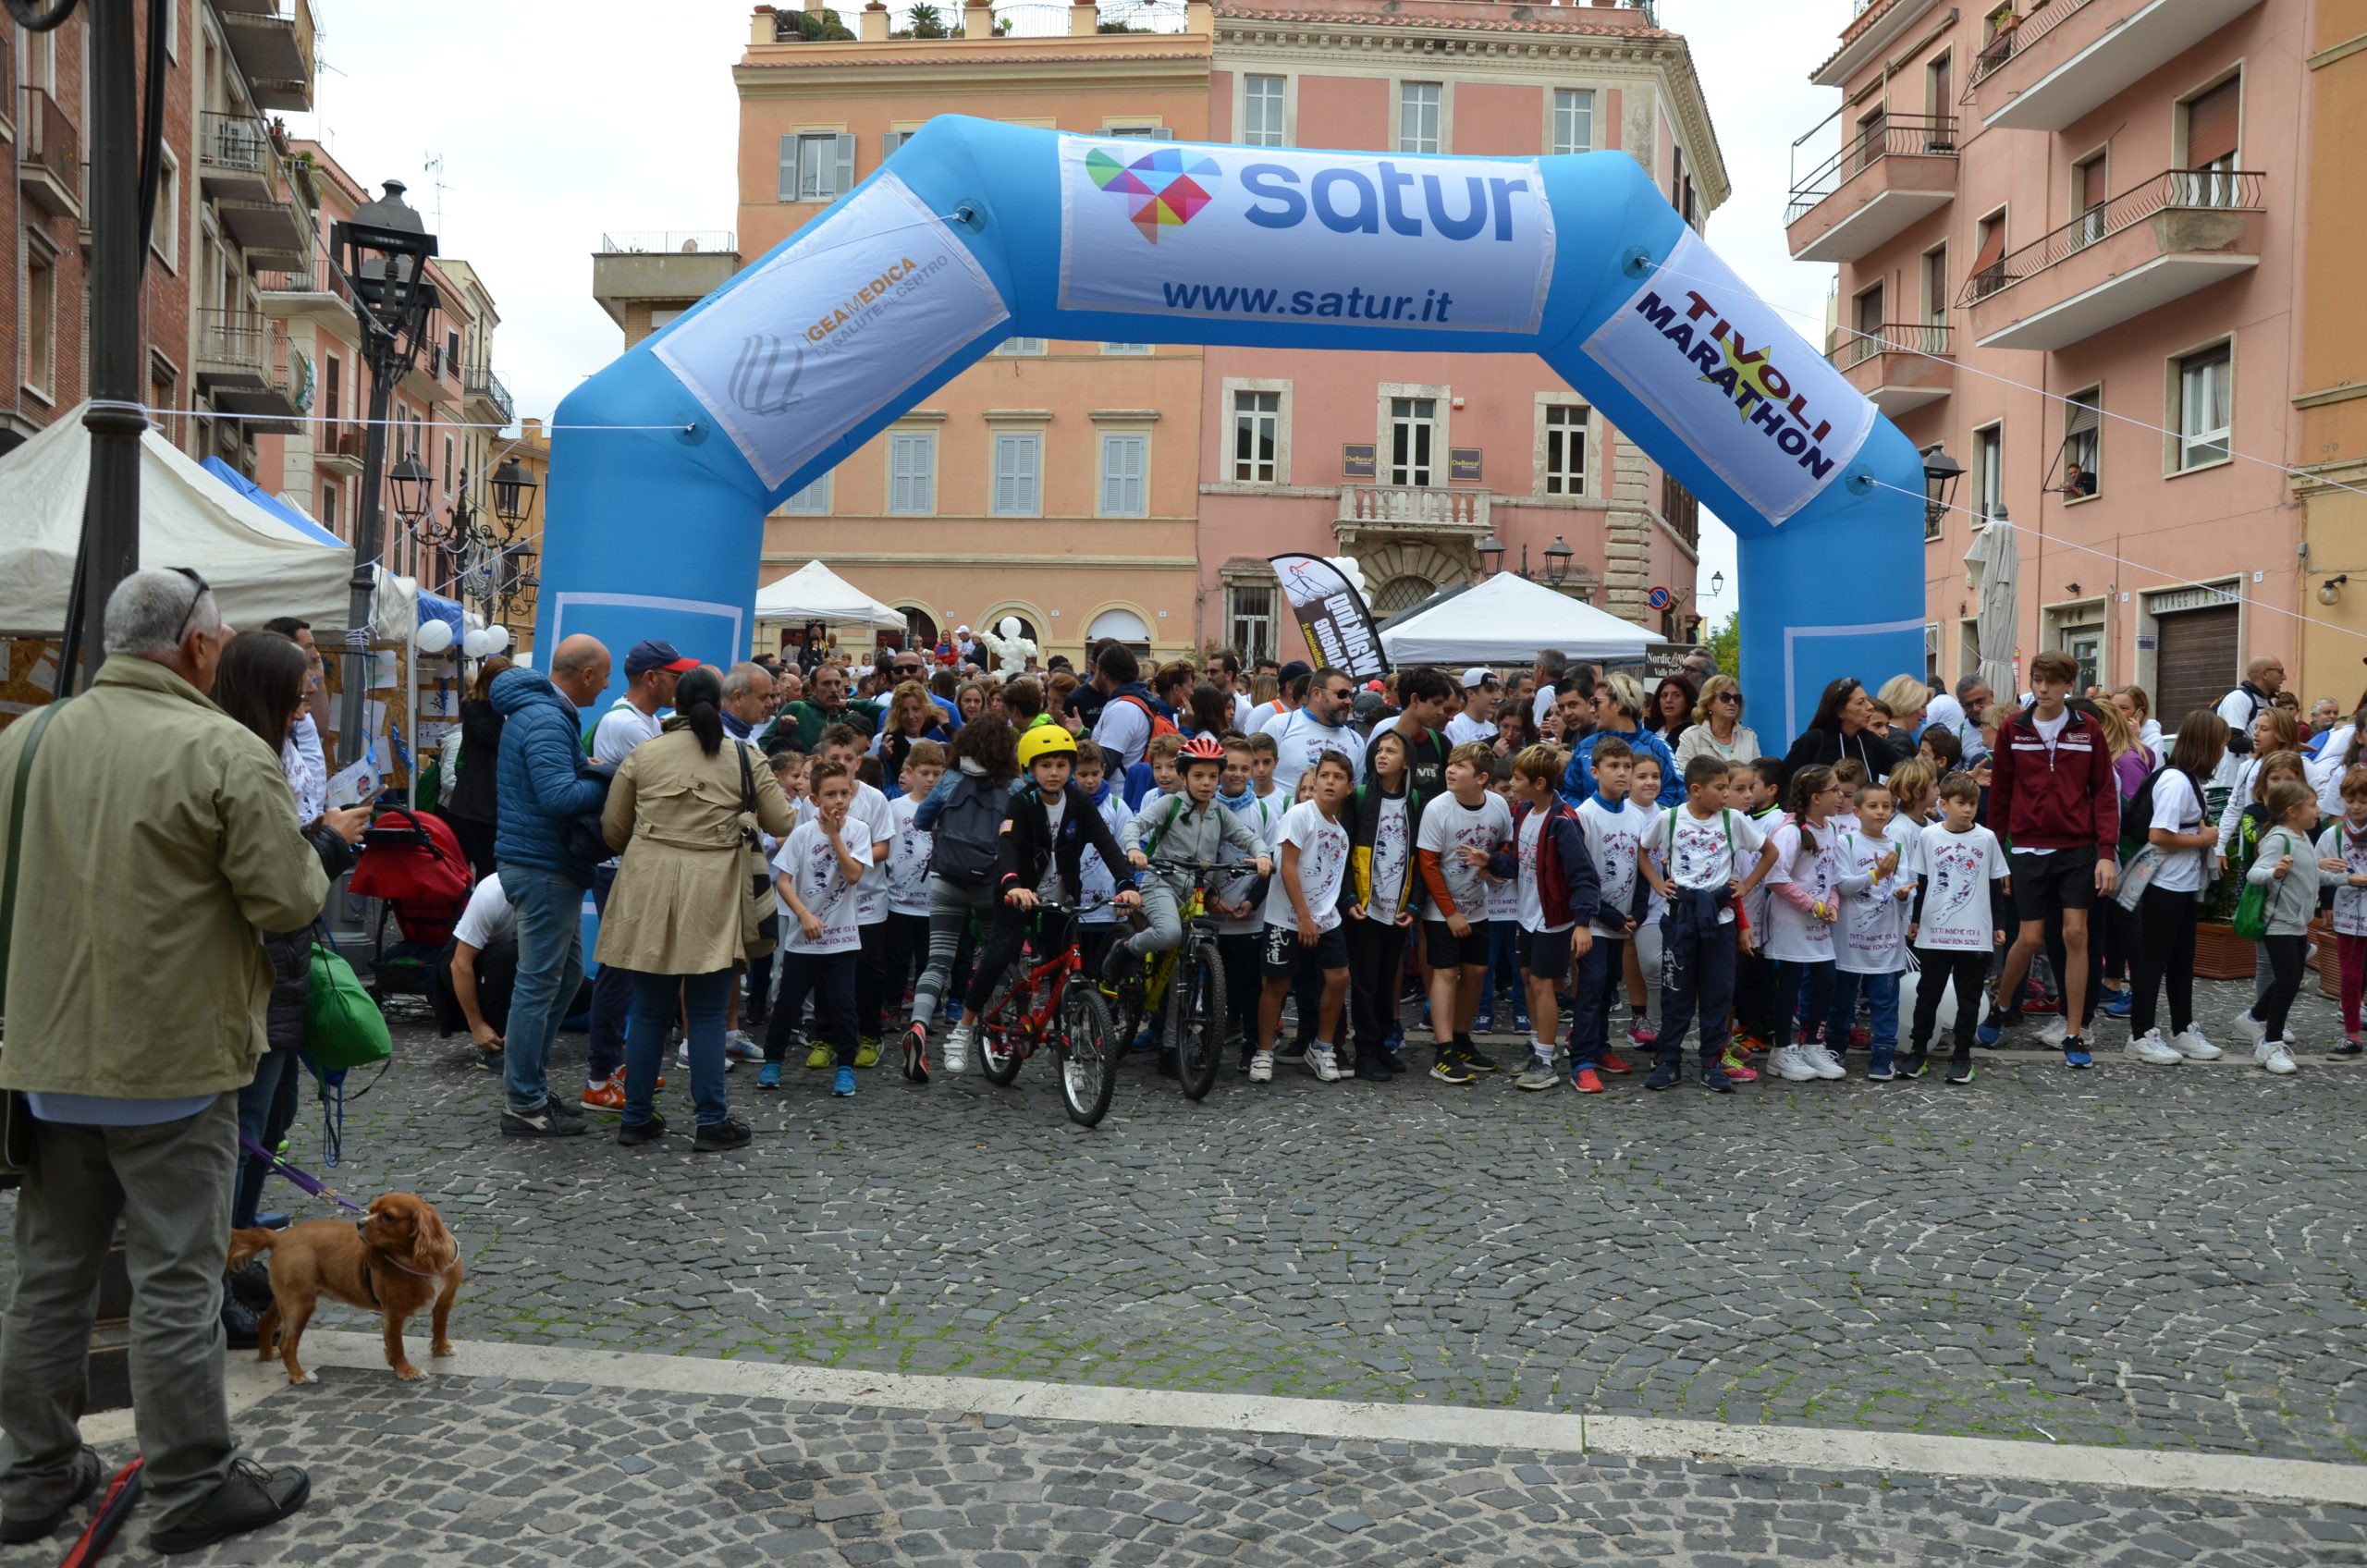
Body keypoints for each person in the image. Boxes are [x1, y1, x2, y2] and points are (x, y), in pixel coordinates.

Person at [0, 569, 325, 1553]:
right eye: (219, 642)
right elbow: (289, 900)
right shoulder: (221, 747)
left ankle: (31, 1474)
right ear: (193, 647)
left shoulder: (24, 740)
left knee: (49, 1276)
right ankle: (191, 1483)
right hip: (172, 1061)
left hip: (47, 1055)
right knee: (177, 1278)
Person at [211, 631, 369, 1245]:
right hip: (261, 962)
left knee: (273, 1112)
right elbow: (273, 883)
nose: (303, 713)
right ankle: (226, 1252)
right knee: (250, 1117)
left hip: (283, 959)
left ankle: (240, 1228)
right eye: (295, 700)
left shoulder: (265, 751)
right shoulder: (244, 763)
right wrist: (326, 840)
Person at [600, 666, 794, 1146]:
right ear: (722, 702)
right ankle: (711, 1122)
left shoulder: (644, 754)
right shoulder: (744, 757)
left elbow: (613, 832)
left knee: (647, 1012)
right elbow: (783, 819)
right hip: (714, 890)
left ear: (677, 705)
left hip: (647, 885)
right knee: (707, 1015)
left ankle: (636, 1118)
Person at [939, 725, 1141, 1073]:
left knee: (1068, 969)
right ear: (1030, 769)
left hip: (1062, 901)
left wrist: (1126, 882)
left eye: (1062, 765)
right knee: (999, 954)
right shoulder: (1021, 802)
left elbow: (1106, 844)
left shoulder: (1078, 802)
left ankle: (1067, 1047)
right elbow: (1008, 846)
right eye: (1045, 765)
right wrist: (1013, 883)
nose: (1054, 772)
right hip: (1019, 894)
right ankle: (963, 1028)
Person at [492, 635, 614, 1137]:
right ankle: (522, 1103)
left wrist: (589, 769)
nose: (606, 686)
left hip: (542, 862)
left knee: (562, 980)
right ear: (585, 675)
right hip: (542, 866)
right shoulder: (545, 718)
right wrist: (611, 777)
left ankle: (532, 1089)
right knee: (539, 983)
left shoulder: (541, 713)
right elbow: (560, 795)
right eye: (603, 676)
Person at [1972, 652, 2118, 1069]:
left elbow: (2104, 793)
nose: (2043, 688)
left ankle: (2073, 1031)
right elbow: (1999, 793)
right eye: (2037, 680)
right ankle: (2001, 1006)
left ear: (2068, 685)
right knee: (2030, 938)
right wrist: (1996, 849)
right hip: (2028, 848)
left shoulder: (2087, 728)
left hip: (2077, 848)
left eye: (2052, 681)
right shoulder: (2013, 728)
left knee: (2076, 934)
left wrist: (2106, 854)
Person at [1638, 755, 1773, 1093]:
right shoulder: (1670, 818)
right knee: (1676, 992)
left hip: (1720, 918)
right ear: (1696, 790)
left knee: (1718, 992)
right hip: (1680, 917)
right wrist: (1658, 883)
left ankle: (1712, 1062)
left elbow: (1769, 852)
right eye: (1720, 787)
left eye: (1729, 787)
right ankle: (1669, 1060)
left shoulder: (1733, 821)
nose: (1726, 794)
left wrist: (1745, 886)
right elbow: (1642, 850)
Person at [899, 715, 1022, 1074]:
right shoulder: (1014, 786)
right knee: (997, 958)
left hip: (947, 876)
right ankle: (997, 1034)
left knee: (937, 960)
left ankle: (919, 1025)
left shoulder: (951, 778)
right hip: (990, 881)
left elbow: (921, 820)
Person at [766, 760, 874, 1099]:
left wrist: (836, 837)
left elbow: (854, 874)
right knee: (787, 1003)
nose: (839, 800)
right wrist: (803, 915)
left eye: (845, 793)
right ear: (814, 800)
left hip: (842, 940)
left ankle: (845, 1067)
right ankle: (773, 1062)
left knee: (843, 1003)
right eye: (831, 794)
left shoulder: (858, 831)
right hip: (804, 940)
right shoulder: (800, 834)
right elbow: (782, 881)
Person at [2125, 711, 2229, 1064]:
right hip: (2163, 884)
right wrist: (2204, 838)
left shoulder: (2188, 779)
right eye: (2221, 745)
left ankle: (2182, 1029)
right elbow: (2159, 835)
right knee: (2153, 960)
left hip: (2181, 884)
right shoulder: (2177, 782)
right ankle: (2140, 1034)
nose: (2223, 752)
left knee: (2182, 960)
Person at [1415, 741, 1516, 1084]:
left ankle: (1461, 1038)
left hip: (1479, 905)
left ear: (1482, 778)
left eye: (1460, 767)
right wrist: (1449, 914)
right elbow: (1428, 864)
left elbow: (1504, 842)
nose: (1451, 770)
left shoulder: (1498, 805)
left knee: (1477, 971)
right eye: (1451, 764)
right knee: (1445, 974)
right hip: (1442, 910)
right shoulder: (1437, 808)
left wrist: (1492, 865)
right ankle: (1442, 1051)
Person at [1253, 750, 1356, 1084]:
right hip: (1288, 916)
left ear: (1349, 787)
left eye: (1337, 777)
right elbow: (1287, 866)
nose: (1330, 782)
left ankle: (1322, 1046)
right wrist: (1303, 916)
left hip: (1325, 918)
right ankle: (1264, 1051)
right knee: (1277, 983)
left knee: (1339, 977)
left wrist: (1321, 915)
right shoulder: (1300, 814)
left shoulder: (1340, 833)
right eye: (1325, 775)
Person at [1503, 745, 1600, 1092]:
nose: (1512, 783)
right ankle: (1537, 1045)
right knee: (1529, 977)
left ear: (1539, 782)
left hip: (1553, 919)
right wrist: (1487, 861)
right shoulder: (1524, 813)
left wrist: (1583, 922)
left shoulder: (1563, 822)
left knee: (1544, 984)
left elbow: (1584, 877)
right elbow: (1518, 864)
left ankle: (1545, 1060)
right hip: (1527, 915)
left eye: (1517, 778)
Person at [1906, 773, 2009, 1083]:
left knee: (1969, 997)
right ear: (1944, 804)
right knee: (1928, 993)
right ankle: (1918, 1052)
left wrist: (1999, 924)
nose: (1967, 810)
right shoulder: (1929, 836)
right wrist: (1914, 919)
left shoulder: (1987, 839)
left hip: (1973, 933)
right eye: (1961, 803)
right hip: (1935, 931)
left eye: (1973, 804)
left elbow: (1995, 885)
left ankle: (1962, 1056)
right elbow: (1923, 883)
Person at [1343, 729, 1424, 1084]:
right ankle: (1364, 1051)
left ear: (1406, 762)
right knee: (1365, 980)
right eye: (1379, 749)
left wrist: (1416, 904)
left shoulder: (1416, 801)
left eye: (1392, 751)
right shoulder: (1360, 797)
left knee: (1387, 975)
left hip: (1398, 905)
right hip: (1365, 906)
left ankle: (1379, 1046)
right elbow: (1344, 852)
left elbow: (1422, 857)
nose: (1382, 755)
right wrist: (1348, 898)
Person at [1569, 737, 1650, 1091]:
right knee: (1590, 989)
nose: (1622, 773)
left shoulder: (1637, 815)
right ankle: (1582, 1059)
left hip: (1623, 921)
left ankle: (1601, 1047)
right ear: (1595, 771)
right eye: (1613, 767)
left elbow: (1644, 867)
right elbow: (1581, 876)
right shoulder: (1585, 817)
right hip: (1596, 923)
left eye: (1626, 767)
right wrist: (1605, 917)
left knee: (1608, 991)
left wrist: (1638, 913)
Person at [2230, 780, 2326, 1075]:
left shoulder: (2301, 836)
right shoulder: (2279, 838)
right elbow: (2256, 874)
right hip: (2279, 924)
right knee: (2289, 980)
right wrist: (2275, 871)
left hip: (2297, 922)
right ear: (2292, 811)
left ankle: (2253, 1017)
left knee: (2291, 977)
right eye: (2313, 805)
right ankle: (2271, 1043)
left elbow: (2310, 874)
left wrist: (2345, 878)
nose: (2318, 810)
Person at [1821, 779, 1913, 1082]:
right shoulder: (1847, 843)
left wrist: (1904, 894)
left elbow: (1903, 885)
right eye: (1873, 806)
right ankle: (1835, 1046)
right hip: (1851, 940)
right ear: (1857, 811)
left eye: (1886, 806)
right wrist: (1876, 874)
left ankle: (1883, 1053)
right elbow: (1843, 885)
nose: (1880, 812)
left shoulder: (1897, 846)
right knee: (1842, 998)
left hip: (1886, 940)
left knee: (1885, 1000)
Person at [1761, 765, 1847, 1083]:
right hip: (1791, 921)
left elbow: (1832, 877)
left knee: (1826, 980)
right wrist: (1812, 905)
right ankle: (1781, 1050)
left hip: (1819, 920)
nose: (1840, 796)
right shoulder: (1790, 832)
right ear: (1815, 797)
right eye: (1834, 790)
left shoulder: (1832, 829)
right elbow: (1775, 877)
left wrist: (1833, 905)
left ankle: (1813, 1044)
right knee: (1790, 984)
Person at [433, 873, 520, 1065]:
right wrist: (477, 1025)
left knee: (583, 993)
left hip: (510, 962)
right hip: (463, 962)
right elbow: (459, 964)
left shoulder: (557, 892)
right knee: (507, 956)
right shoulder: (493, 892)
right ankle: (492, 1045)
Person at [1560, 673, 1678, 808]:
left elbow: (1674, 793)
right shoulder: (1585, 746)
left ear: (1618, 704)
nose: (1592, 709)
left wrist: (1641, 819)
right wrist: (1587, 819)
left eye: (1596, 702)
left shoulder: (1657, 747)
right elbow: (1569, 793)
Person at [444, 655, 510, 877]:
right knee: (475, 869)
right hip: (473, 805)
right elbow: (492, 737)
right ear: (488, 681)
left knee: (488, 869)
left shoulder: (496, 711)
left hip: (489, 803)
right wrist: (500, 711)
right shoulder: (475, 708)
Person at [2318, 766, 2367, 1057]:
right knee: (2349, 975)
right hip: (2348, 915)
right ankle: (2351, 1033)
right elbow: (2313, 868)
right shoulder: (2333, 835)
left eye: (2363, 800)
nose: (2357, 806)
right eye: (2351, 800)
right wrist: (2326, 871)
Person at [1268, 667, 1368, 798]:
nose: (1349, 701)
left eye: (1350, 695)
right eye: (1342, 694)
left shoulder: (1356, 740)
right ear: (1317, 694)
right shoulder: (1280, 725)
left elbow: (1353, 792)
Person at [763, 660, 878, 752]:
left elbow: (885, 712)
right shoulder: (797, 709)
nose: (834, 689)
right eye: (826, 683)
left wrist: (851, 703)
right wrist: (781, 733)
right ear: (813, 689)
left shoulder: (845, 717)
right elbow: (762, 745)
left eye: (837, 683)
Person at [872, 679, 951, 798]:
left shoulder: (935, 745)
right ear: (896, 713)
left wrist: (947, 727)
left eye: (916, 709)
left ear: (925, 709)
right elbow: (870, 781)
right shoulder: (883, 740)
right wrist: (882, 758)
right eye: (904, 710)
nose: (911, 716)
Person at [1673, 674, 1759, 770]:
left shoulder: (1749, 737)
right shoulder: (1690, 736)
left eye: (1736, 698)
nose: (1732, 703)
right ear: (1709, 703)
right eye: (1725, 698)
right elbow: (1684, 775)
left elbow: (1757, 775)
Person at [2214, 655, 2287, 768]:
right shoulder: (2238, 698)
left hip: (2253, 775)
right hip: (2230, 779)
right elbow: (2232, 741)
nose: (2284, 677)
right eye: (2280, 671)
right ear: (2265, 674)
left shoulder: (2268, 703)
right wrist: (2275, 746)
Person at [1923, 675, 1993, 758]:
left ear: (1991, 695)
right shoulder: (1957, 734)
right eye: (1968, 705)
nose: (1975, 708)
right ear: (1961, 705)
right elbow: (1954, 770)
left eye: (1980, 701)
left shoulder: (2009, 724)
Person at [720, 661, 774, 745]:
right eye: (763, 697)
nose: (770, 704)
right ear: (738, 698)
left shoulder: (746, 738)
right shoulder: (716, 739)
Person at [1645, 673, 1698, 753]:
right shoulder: (1649, 730)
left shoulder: (1693, 733)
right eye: (1664, 695)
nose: (1669, 700)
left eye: (1676, 695)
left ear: (1687, 702)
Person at [1446, 669, 1499, 746]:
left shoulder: (1493, 728)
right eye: (1490, 691)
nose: (1497, 697)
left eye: (1497, 690)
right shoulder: (1454, 726)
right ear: (1470, 694)